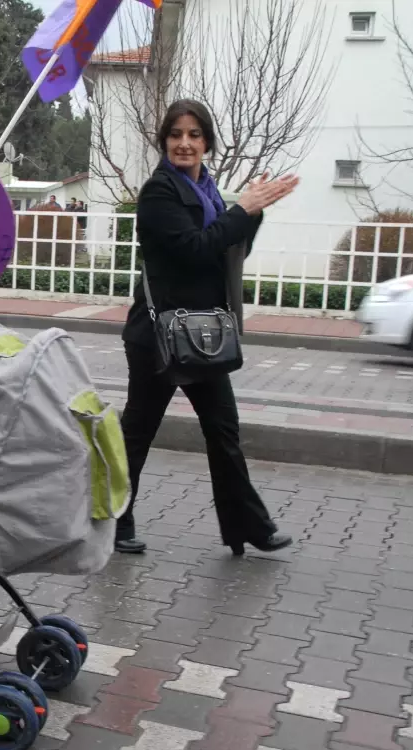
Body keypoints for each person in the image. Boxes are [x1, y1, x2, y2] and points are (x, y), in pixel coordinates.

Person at [115, 99, 299, 556]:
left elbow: (228, 249)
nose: (184, 143)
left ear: (207, 144)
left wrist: (251, 213)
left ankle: (247, 526)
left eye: (194, 135)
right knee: (137, 434)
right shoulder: (159, 193)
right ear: (164, 142)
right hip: (160, 337)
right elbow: (195, 249)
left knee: (223, 431)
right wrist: (243, 210)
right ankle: (113, 523)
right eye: (176, 135)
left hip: (203, 334)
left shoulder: (211, 193)